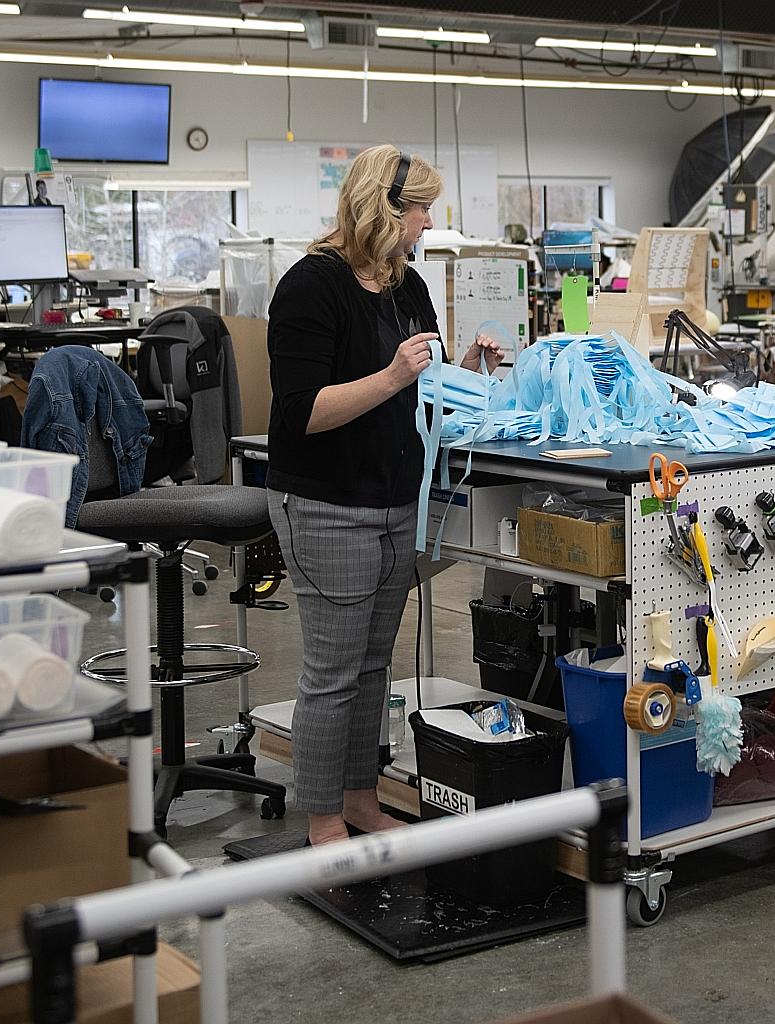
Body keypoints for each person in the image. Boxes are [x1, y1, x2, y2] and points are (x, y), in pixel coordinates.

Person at [266, 145, 502, 846]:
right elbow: (300, 412)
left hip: (397, 499)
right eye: (420, 208)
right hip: (328, 503)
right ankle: (322, 819)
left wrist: (463, 369)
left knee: (374, 668)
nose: (428, 223)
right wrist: (396, 377)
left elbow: (422, 386)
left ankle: (362, 799)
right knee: (332, 673)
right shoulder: (311, 287)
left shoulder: (407, 286)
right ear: (384, 206)